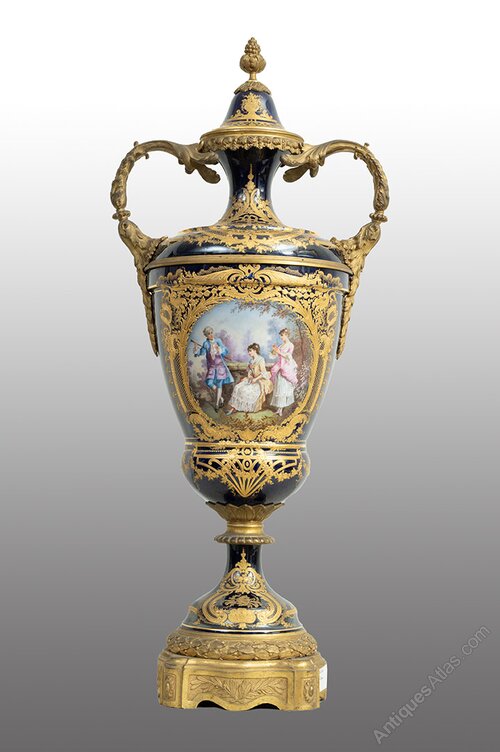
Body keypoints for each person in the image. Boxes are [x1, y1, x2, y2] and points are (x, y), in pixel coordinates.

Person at [193, 326, 234, 411]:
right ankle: (221, 398)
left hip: (220, 366)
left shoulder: (218, 341)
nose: (211, 335)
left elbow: (226, 350)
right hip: (212, 367)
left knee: (219, 385)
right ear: (206, 335)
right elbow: (201, 352)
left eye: (211, 333)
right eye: (208, 334)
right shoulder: (206, 344)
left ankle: (217, 404)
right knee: (209, 382)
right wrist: (196, 351)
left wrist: (220, 349)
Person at [226, 343, 273, 414]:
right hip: (252, 379)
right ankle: (234, 407)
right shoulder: (251, 361)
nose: (249, 353)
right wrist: (250, 377)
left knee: (245, 390)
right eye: (248, 351)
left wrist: (255, 379)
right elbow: (250, 372)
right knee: (237, 387)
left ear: (255, 350)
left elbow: (263, 373)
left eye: (250, 351)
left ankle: (243, 408)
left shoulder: (261, 359)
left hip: (260, 380)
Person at [270, 328, 298, 416]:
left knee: (283, 388)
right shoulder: (281, 345)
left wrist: (279, 352)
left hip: (286, 367)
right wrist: (274, 350)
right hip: (280, 366)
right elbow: (274, 355)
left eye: (282, 335)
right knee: (279, 387)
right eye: (281, 336)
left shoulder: (290, 345)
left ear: (287, 335)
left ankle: (281, 409)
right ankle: (279, 409)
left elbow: (288, 357)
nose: (281, 337)